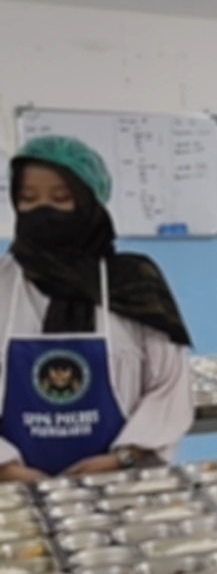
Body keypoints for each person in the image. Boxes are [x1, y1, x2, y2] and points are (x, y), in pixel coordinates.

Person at [0, 136, 194, 483]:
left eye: (61, 198)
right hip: (10, 495)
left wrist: (125, 458)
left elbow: (169, 385)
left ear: (89, 201)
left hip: (119, 487)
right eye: (28, 199)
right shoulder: (4, 284)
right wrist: (6, 468)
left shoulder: (134, 282)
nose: (43, 210)